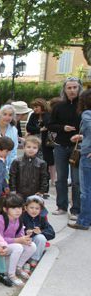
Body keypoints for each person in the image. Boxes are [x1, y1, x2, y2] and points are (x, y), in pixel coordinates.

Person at [49, 77, 83, 219]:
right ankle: (61, 206)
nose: (72, 90)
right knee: (61, 178)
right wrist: (63, 128)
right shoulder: (58, 106)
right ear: (64, 89)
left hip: (78, 148)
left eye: (75, 87)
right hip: (60, 146)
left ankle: (76, 209)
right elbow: (50, 125)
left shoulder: (85, 105)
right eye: (69, 88)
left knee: (76, 180)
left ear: (79, 88)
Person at [0, 194, 37, 286]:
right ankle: (11, 275)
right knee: (18, 247)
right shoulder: (0, 220)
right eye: (13, 208)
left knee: (32, 246)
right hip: (0, 246)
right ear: (5, 209)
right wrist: (18, 240)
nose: (18, 210)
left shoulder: (18, 219)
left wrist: (25, 239)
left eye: (19, 207)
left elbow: (20, 234)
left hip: (11, 244)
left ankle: (18, 267)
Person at [68, 88, 91, 230]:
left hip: (87, 156)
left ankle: (83, 221)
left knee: (86, 191)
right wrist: (83, 137)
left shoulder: (87, 113)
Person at [27, 98, 55, 191]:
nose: (34, 109)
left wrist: (42, 126)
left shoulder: (48, 115)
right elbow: (28, 127)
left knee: (44, 167)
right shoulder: (33, 116)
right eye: (33, 107)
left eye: (36, 107)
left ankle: (44, 189)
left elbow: (49, 126)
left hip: (45, 145)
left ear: (42, 106)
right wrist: (39, 129)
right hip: (35, 143)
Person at [22, 195, 55, 270]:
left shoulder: (41, 218)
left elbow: (52, 233)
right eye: (31, 208)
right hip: (24, 241)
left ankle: (34, 259)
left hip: (35, 242)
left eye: (37, 208)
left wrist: (41, 232)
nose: (34, 210)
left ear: (40, 210)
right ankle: (25, 261)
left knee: (41, 237)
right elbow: (15, 231)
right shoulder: (22, 217)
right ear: (26, 208)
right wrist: (25, 232)